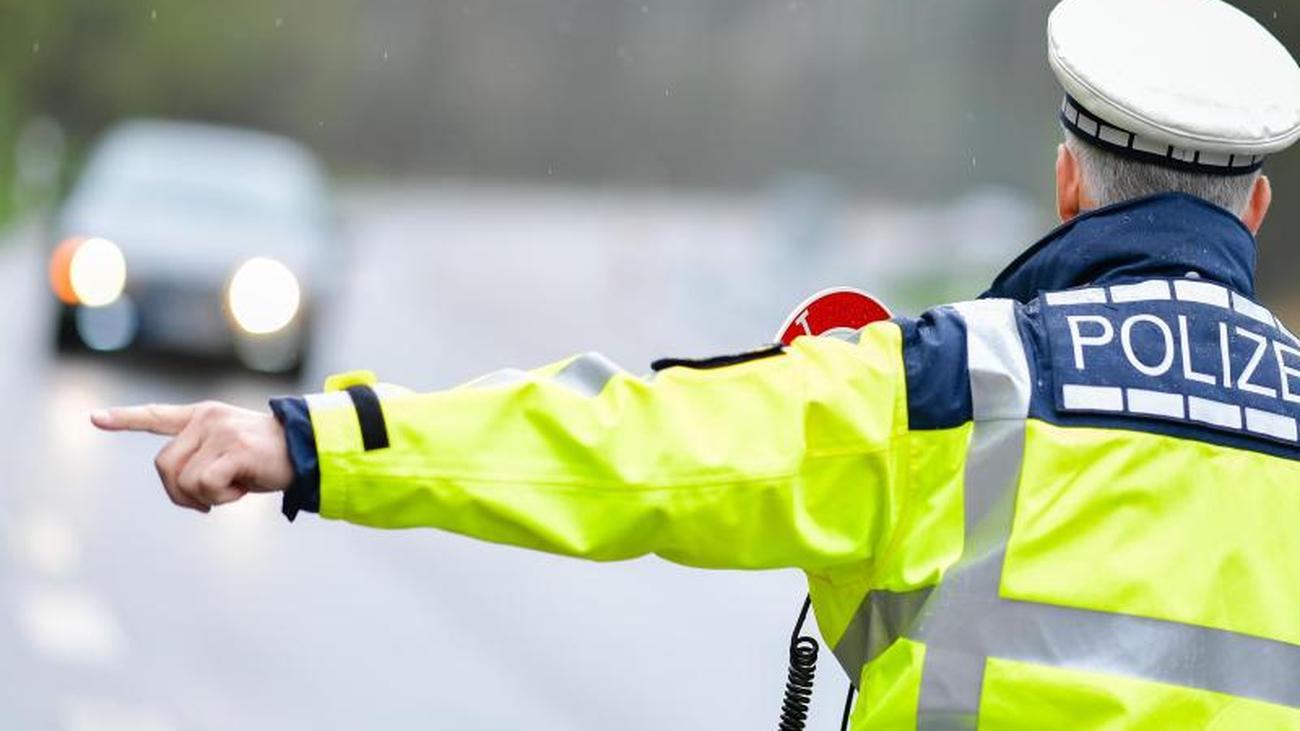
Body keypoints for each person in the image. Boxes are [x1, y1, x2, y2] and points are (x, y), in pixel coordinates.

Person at [94, 0, 1300, 727]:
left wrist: (310, 441)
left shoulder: (951, 384)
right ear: (1249, 210)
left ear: (1067, 181)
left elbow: (623, 445)